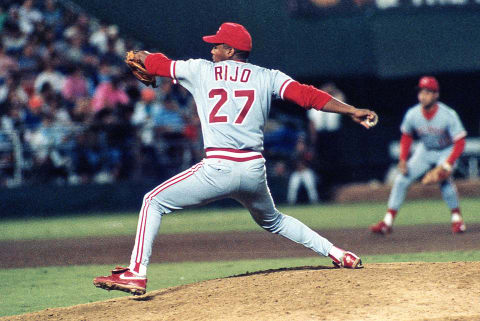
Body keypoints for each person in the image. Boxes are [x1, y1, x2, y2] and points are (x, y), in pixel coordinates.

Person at [94, 22, 378, 295]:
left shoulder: (200, 70)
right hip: (254, 170)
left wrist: (141, 56)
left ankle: (137, 272)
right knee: (275, 221)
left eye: (217, 46)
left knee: (152, 201)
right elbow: (307, 96)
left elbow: (155, 64)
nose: (212, 50)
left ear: (230, 51)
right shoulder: (268, 76)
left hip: (218, 168)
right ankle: (339, 254)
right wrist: (351, 110)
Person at [370, 76, 467, 235]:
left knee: (443, 178)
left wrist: (448, 164)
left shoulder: (448, 114)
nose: (423, 95)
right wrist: (403, 159)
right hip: (425, 150)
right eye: (421, 91)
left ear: (436, 95)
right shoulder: (413, 114)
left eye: (428, 92)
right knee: (401, 179)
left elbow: (460, 141)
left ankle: (457, 219)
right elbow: (406, 136)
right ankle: (387, 222)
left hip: (446, 150)